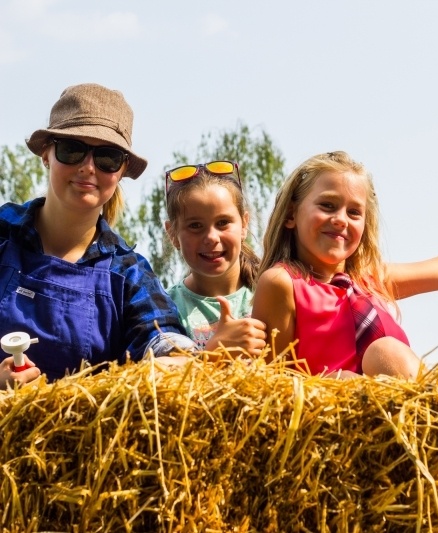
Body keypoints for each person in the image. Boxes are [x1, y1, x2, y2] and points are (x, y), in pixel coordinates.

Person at [0, 83, 195, 387]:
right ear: (45, 154)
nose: (88, 167)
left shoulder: (128, 272)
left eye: (107, 158)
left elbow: (164, 342)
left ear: (121, 171)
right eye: (72, 150)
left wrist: (183, 355)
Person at [252, 151, 438, 379]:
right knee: (366, 363)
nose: (341, 219)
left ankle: (435, 401)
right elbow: (274, 378)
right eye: (327, 205)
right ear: (291, 214)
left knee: (386, 351)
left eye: (354, 212)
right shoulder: (282, 283)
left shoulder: (370, 279)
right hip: (332, 406)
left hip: (400, 404)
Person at [164, 160, 267, 357]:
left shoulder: (272, 290)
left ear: (244, 225)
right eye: (195, 226)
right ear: (173, 234)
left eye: (223, 222)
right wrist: (214, 353)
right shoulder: (165, 308)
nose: (211, 238)